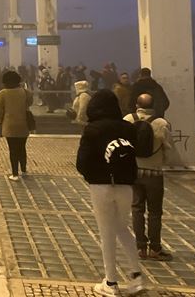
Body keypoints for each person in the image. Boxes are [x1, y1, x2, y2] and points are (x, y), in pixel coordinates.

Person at [76, 90, 145, 296]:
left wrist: (92, 176)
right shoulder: (128, 128)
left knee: (107, 232)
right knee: (122, 228)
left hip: (101, 186)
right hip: (125, 186)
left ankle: (111, 282)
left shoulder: (92, 129)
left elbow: (82, 162)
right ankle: (137, 277)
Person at [125, 93, 173, 261]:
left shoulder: (128, 120)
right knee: (154, 212)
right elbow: (169, 148)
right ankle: (155, 248)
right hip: (154, 173)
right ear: (154, 105)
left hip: (134, 171)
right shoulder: (161, 123)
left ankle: (140, 248)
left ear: (137, 104)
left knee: (137, 208)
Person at [0, 71, 34, 181]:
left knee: (13, 149)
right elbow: (30, 102)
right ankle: (24, 170)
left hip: (9, 125)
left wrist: (3, 118)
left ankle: (15, 174)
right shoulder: (25, 92)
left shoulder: (3, 93)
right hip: (23, 124)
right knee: (22, 148)